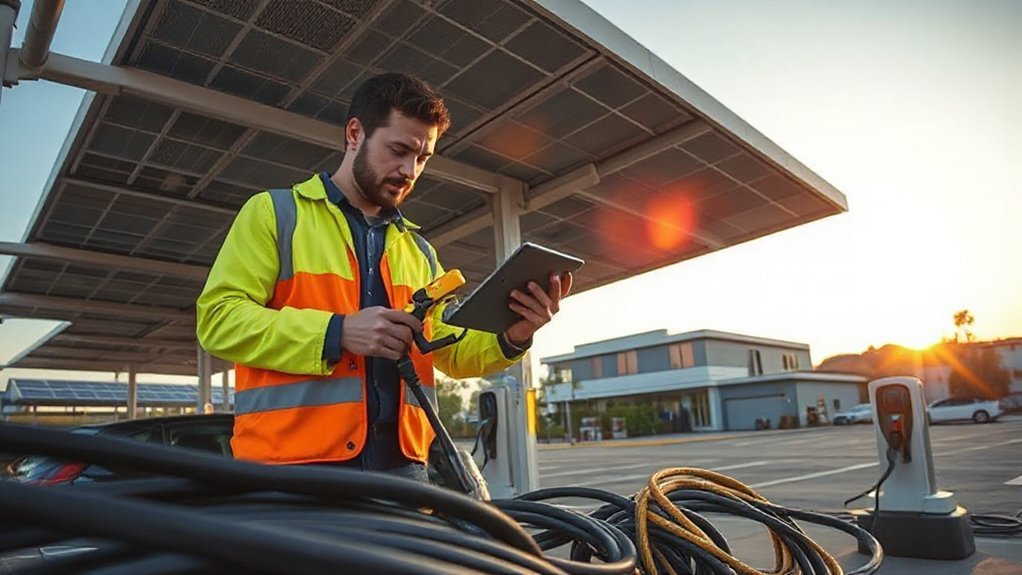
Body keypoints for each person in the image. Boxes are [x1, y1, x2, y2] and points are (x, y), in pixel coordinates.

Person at [196, 72, 571, 481]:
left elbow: (452, 353)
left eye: (423, 157)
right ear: (355, 133)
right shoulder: (274, 214)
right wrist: (337, 332)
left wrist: (513, 333)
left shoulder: (419, 251)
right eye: (398, 150)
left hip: (404, 473)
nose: (410, 170)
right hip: (289, 473)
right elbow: (218, 320)